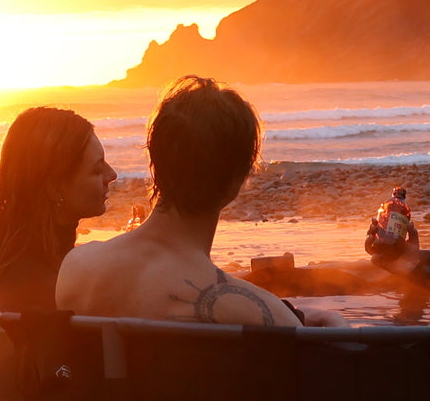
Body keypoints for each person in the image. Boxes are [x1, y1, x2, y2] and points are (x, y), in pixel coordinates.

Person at [57, 76, 344, 326]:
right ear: (238, 180)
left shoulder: (77, 268)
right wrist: (334, 320)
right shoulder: (260, 312)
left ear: (154, 163)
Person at [0, 107, 117, 313]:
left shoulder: (23, 262)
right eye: (97, 169)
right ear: (55, 187)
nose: (112, 175)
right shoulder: (41, 287)